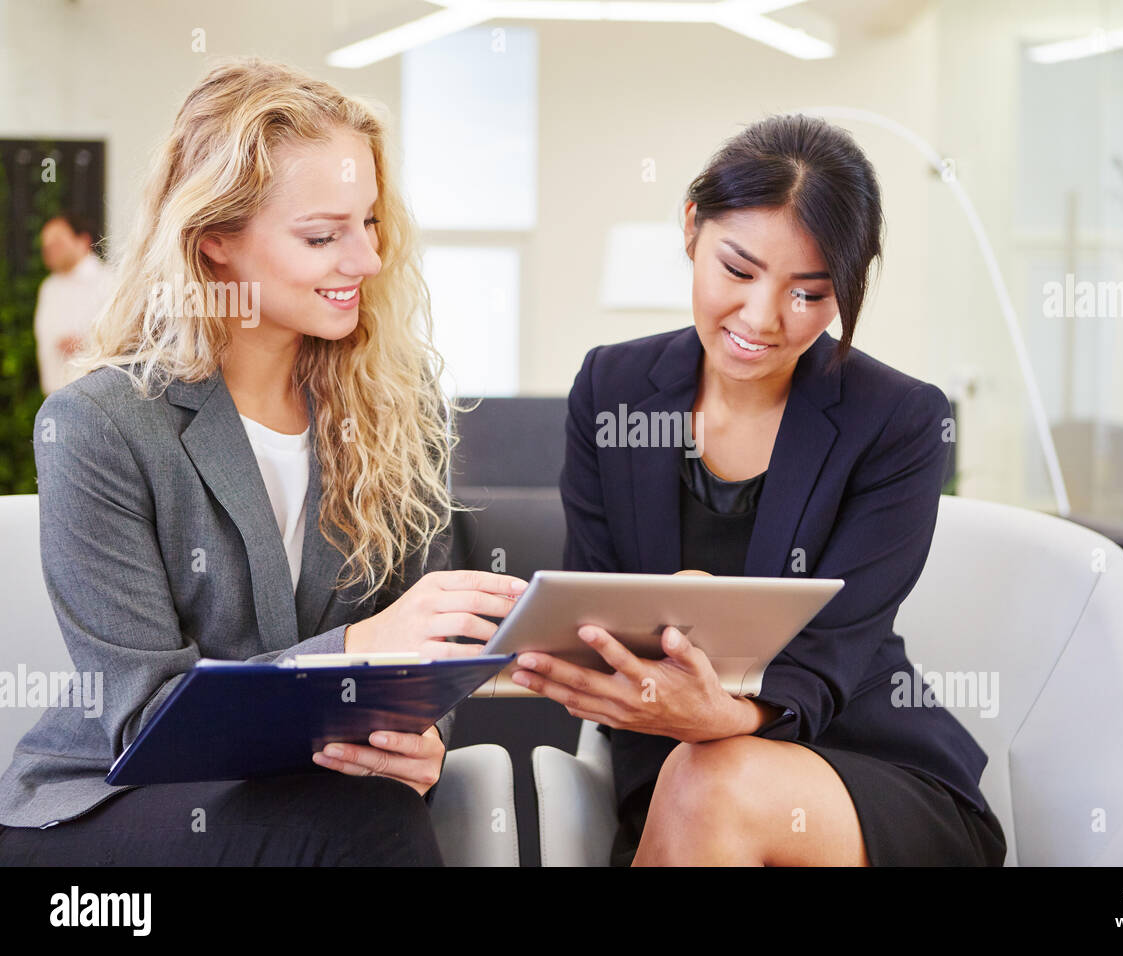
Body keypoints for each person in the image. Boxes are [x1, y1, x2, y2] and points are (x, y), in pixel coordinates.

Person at [0, 57, 523, 866]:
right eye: (322, 236)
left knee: (366, 813)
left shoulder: (396, 405)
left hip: (310, 791)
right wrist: (358, 647)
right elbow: (146, 720)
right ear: (214, 244)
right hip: (110, 801)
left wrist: (418, 738)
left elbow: (423, 653)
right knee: (357, 827)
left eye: (370, 223)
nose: (367, 261)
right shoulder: (100, 425)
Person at [514, 113, 1007, 866]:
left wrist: (730, 713)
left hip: (860, 771)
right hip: (673, 766)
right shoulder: (611, 387)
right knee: (702, 779)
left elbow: (836, 647)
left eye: (809, 294)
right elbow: (596, 605)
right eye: (738, 271)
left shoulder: (899, 419)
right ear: (690, 228)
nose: (762, 318)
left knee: (714, 782)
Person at [33, 211, 112, 395]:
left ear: (83, 241)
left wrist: (86, 344)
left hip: (95, 398)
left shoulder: (109, 282)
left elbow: (124, 340)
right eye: (46, 244)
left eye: (57, 242)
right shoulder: (49, 287)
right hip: (54, 396)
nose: (49, 249)